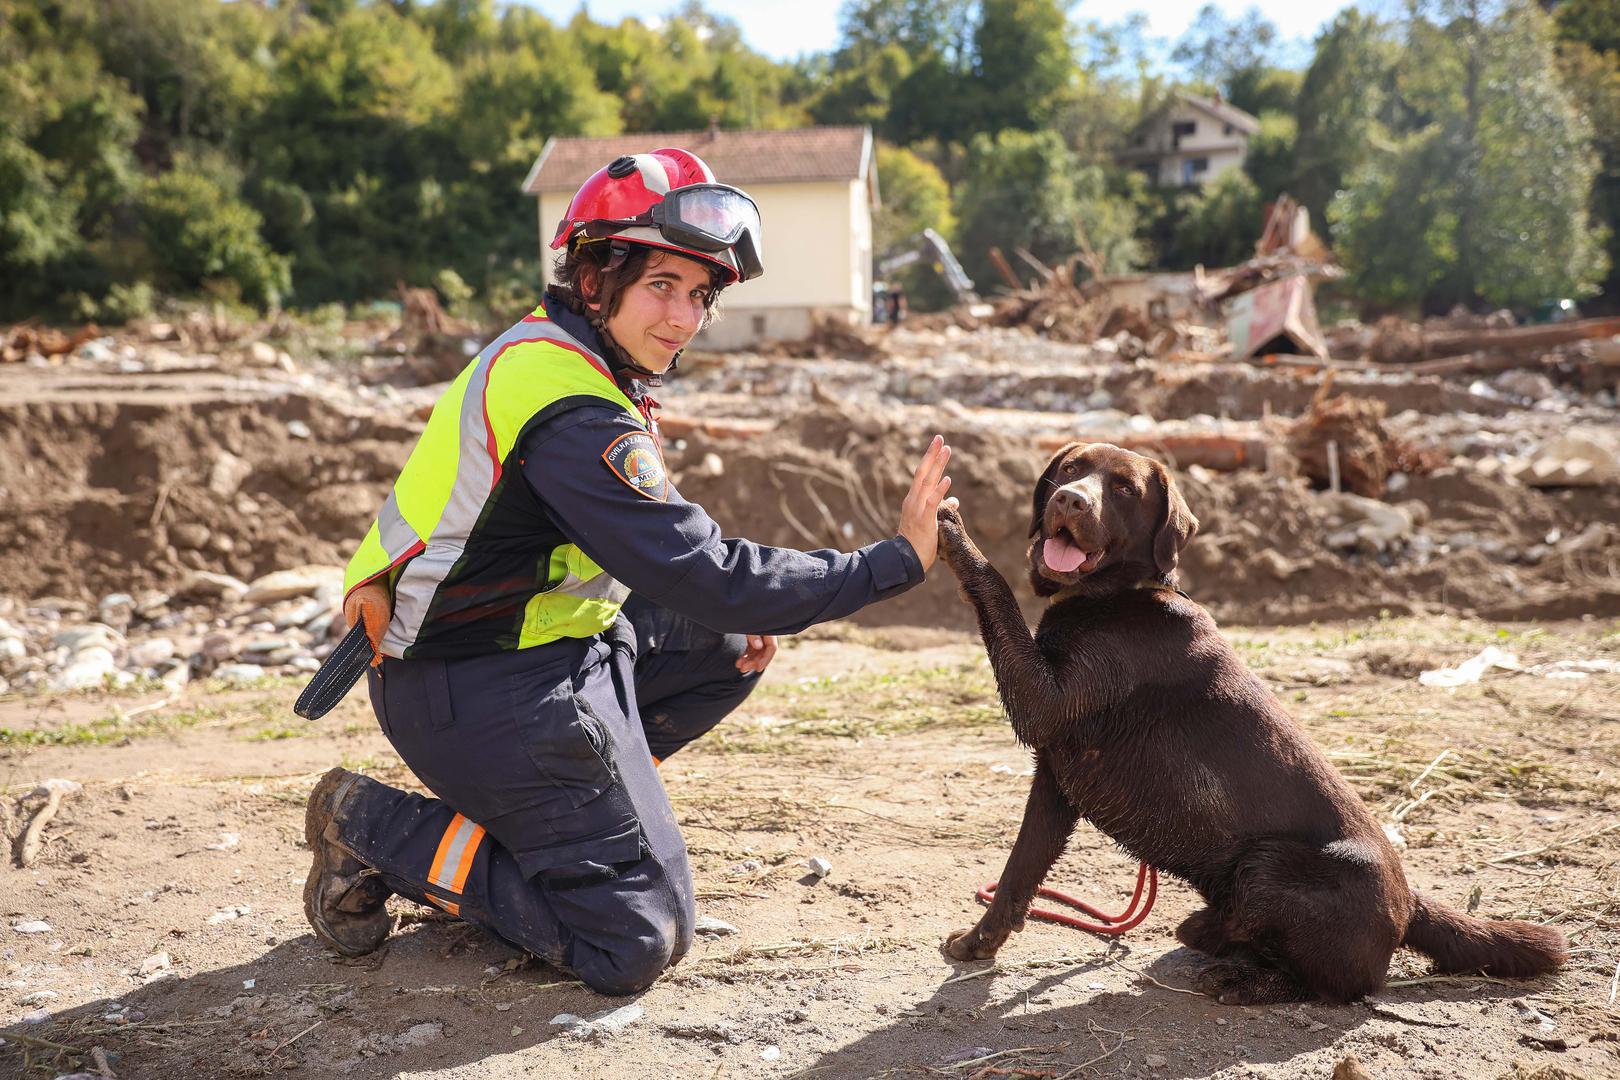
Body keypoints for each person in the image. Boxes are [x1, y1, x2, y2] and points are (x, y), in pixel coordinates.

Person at [302, 147, 955, 996]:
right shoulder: (571, 407)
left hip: (534, 654)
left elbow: (624, 555)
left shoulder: (573, 360)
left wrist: (723, 605)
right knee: (637, 938)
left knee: (724, 645)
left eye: (699, 296)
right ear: (593, 275)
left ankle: (546, 826)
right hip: (471, 687)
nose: (683, 319)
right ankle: (378, 827)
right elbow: (707, 570)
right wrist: (892, 562)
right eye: (661, 287)